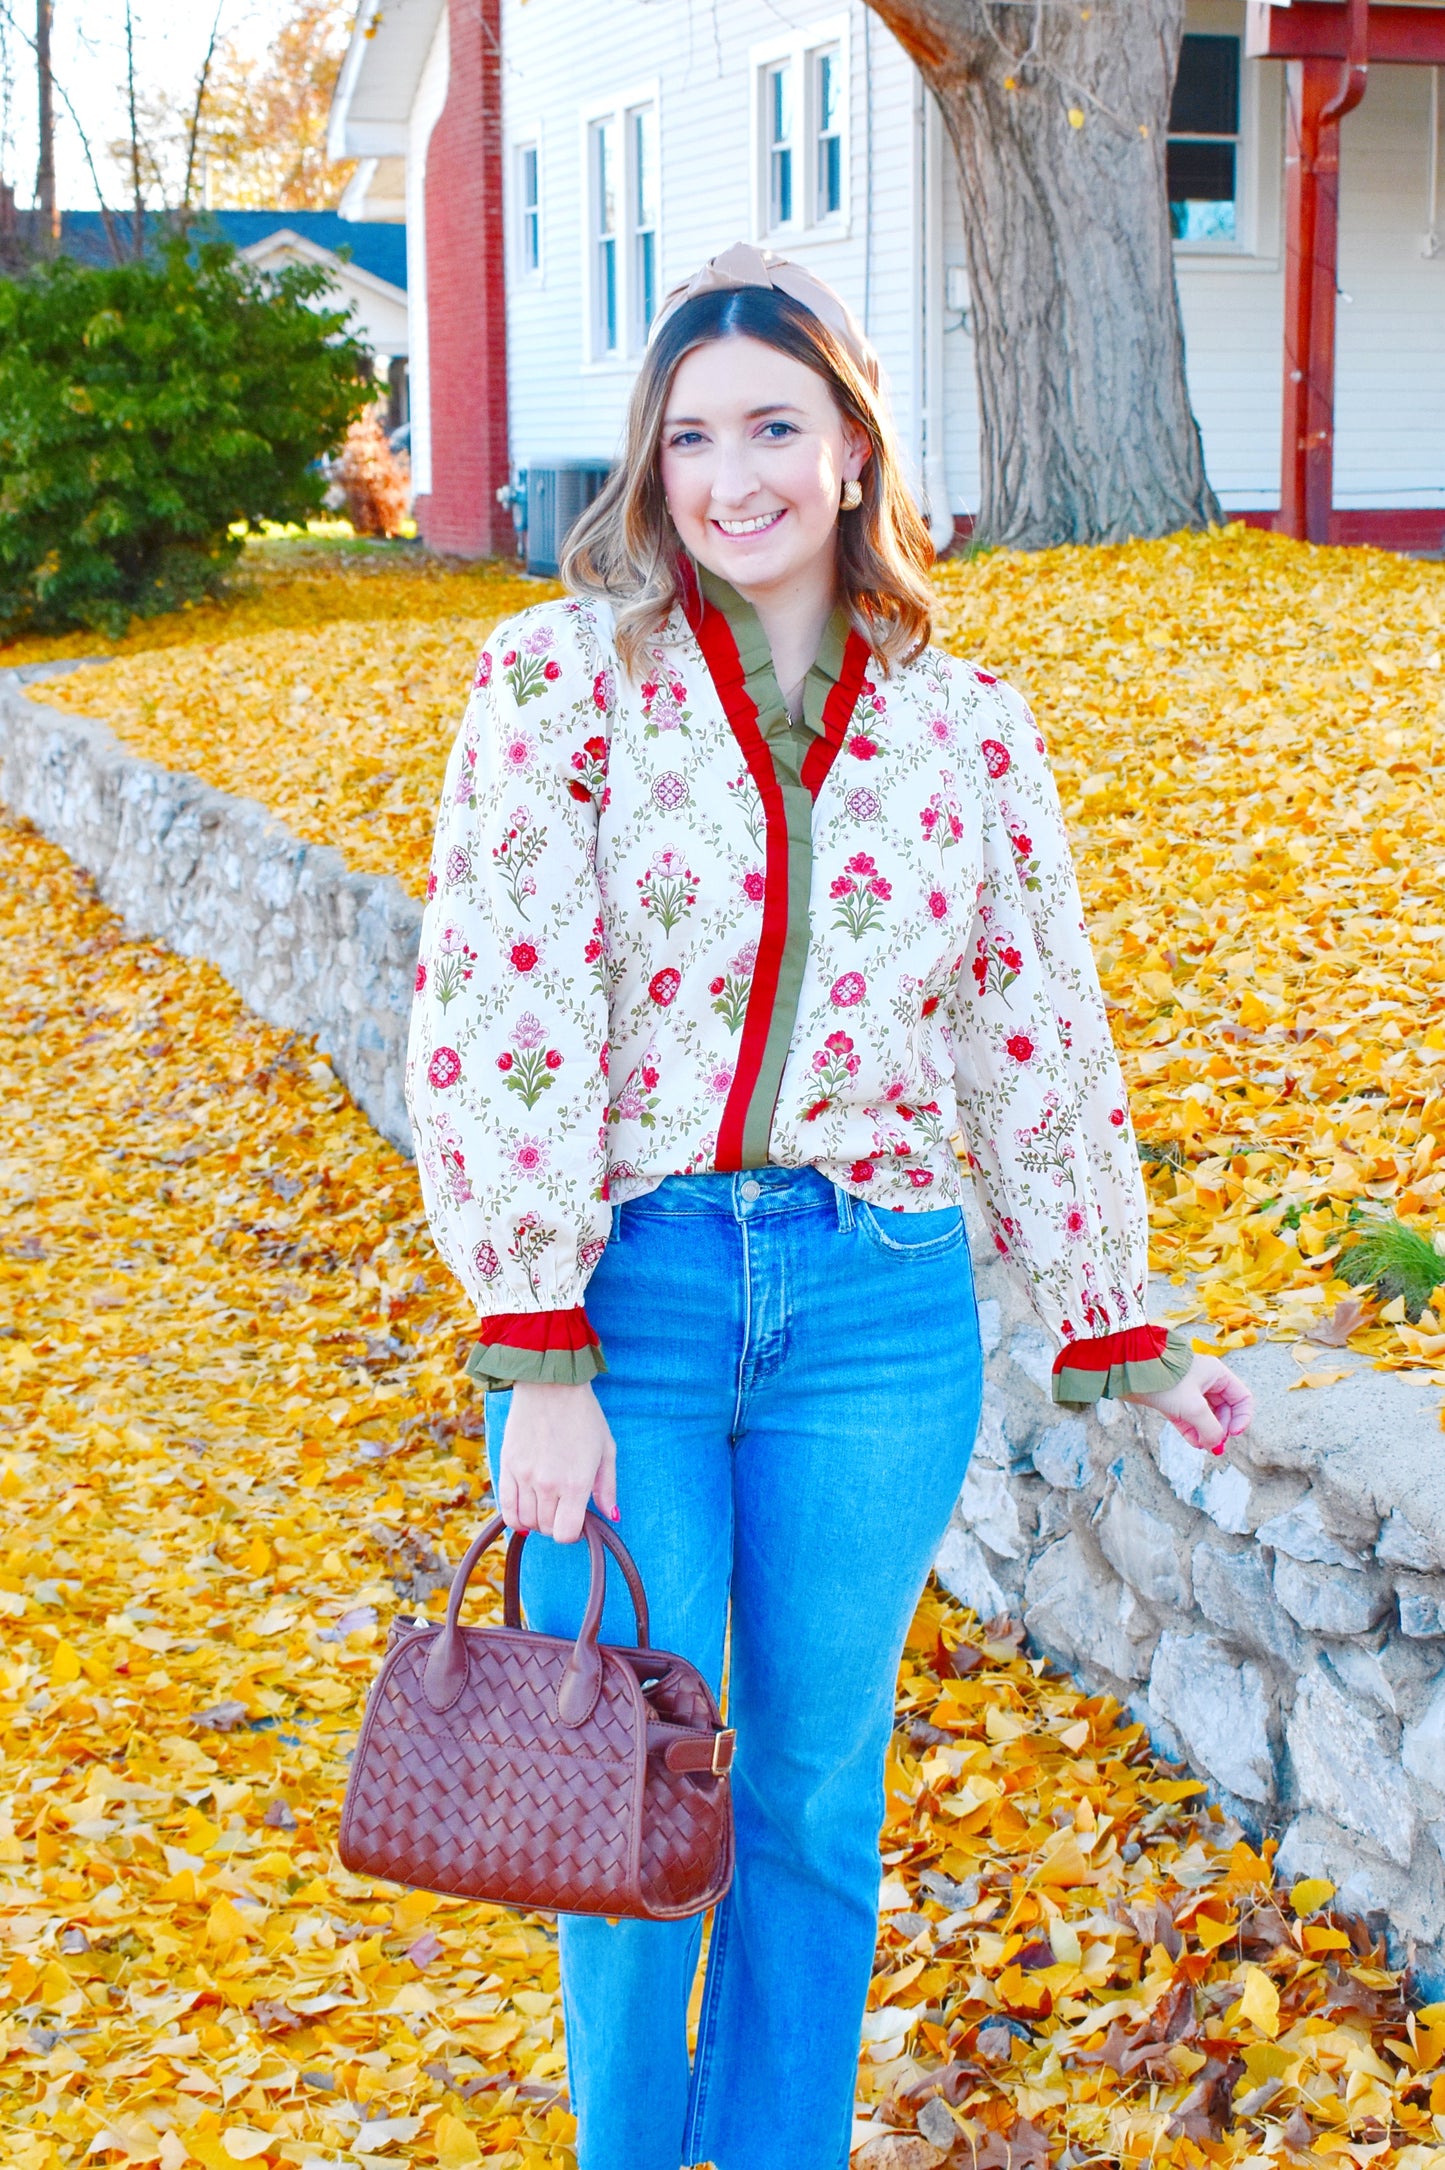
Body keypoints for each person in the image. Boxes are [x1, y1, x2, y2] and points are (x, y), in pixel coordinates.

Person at [406, 241, 1254, 2170]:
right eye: (691, 436)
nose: (733, 476)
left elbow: (1030, 1031)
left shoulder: (969, 727)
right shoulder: (556, 685)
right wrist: (535, 1341)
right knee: (615, 1787)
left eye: (775, 425)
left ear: (855, 449)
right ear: (651, 463)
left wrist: (1119, 1330)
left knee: (802, 1793)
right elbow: (499, 995)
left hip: (878, 1310)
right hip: (627, 1300)